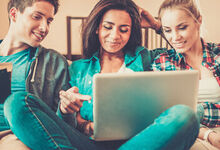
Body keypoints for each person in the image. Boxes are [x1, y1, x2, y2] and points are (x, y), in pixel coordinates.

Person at [3, 0, 199, 149]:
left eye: (124, 30)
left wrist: (157, 26)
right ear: (97, 27)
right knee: (17, 103)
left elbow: (184, 48)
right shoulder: (77, 69)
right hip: (87, 143)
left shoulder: (145, 58)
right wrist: (68, 112)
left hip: (139, 141)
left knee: (186, 115)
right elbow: (64, 128)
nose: (115, 36)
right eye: (108, 27)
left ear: (131, 33)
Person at [149, 0, 220, 149]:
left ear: (198, 21)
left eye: (182, 28)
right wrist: (208, 135)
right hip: (191, 133)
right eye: (167, 30)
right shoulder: (162, 63)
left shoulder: (217, 54)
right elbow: (167, 114)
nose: (175, 37)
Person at [0, 0, 70, 149]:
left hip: (15, 136)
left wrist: (66, 111)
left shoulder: (54, 62)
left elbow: (62, 128)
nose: (44, 28)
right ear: (14, 14)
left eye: (49, 21)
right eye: (37, 17)